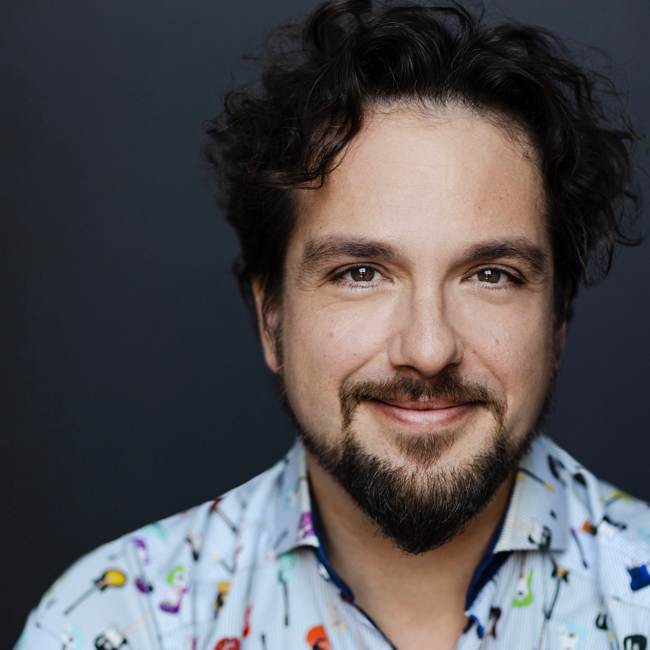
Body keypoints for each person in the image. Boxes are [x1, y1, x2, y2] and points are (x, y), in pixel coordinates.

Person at [15, 1, 649, 649]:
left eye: (491, 274)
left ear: (557, 321)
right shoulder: (116, 625)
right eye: (361, 273)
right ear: (271, 319)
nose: (429, 349)